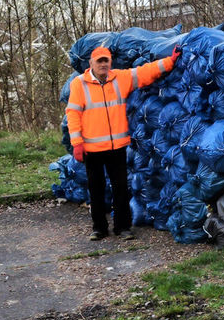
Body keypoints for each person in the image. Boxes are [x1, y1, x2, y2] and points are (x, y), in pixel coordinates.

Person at [66, 44, 181, 240]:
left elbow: (145, 72)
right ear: (91, 63)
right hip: (92, 148)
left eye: (106, 61)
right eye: (99, 61)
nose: (103, 64)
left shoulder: (120, 78)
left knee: (120, 188)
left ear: (110, 63)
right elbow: (73, 113)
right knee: (96, 189)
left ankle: (122, 227)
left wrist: (169, 62)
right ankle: (99, 228)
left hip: (116, 147)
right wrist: (77, 142)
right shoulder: (80, 84)